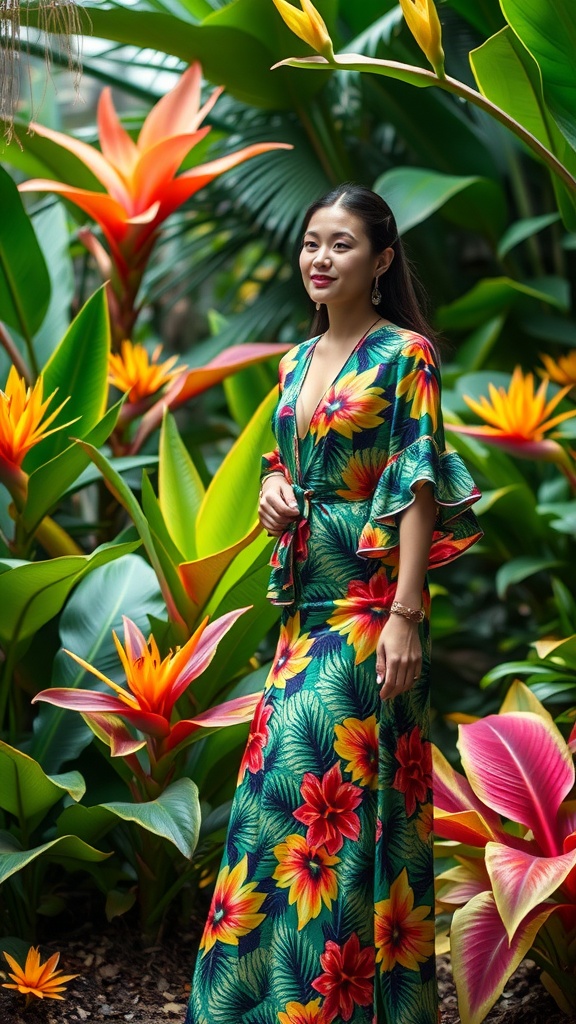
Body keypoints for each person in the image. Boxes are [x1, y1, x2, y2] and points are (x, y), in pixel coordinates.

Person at [186, 183, 482, 1024]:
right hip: (301, 613)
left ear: (382, 260)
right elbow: (290, 465)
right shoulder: (291, 362)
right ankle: (255, 1005)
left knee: (335, 813)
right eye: (313, 241)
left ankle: (327, 1005)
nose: (320, 257)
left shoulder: (405, 355)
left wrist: (405, 615)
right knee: (274, 814)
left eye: (341, 244)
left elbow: (418, 479)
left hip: (367, 611)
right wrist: (275, 490)